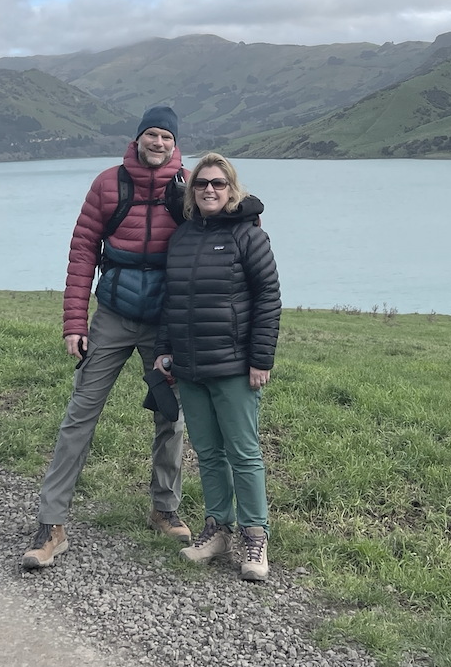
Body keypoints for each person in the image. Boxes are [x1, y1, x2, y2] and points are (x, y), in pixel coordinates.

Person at [21, 106, 191, 570]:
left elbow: (225, 231)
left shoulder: (191, 187)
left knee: (170, 416)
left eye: (166, 137)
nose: (158, 143)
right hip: (113, 315)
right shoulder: (107, 184)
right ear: (137, 138)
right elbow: (82, 253)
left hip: (165, 322)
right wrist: (75, 323)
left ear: (176, 144)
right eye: (151, 134)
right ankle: (51, 524)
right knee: (80, 414)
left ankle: (164, 506)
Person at [153, 152, 281, 582]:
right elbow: (172, 301)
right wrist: (165, 349)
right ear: (191, 192)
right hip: (190, 367)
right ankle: (217, 528)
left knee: (243, 454)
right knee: (207, 454)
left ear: (232, 190)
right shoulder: (182, 237)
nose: (210, 189)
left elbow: (268, 299)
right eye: (202, 183)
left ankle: (254, 535)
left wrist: (261, 359)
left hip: (234, 366)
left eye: (218, 183)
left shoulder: (249, 237)